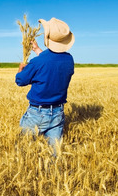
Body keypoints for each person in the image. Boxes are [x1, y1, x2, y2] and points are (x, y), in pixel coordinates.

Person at [15, 17, 75, 151]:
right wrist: (37, 50)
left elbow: (20, 81)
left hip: (37, 113)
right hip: (58, 113)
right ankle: (55, 172)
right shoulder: (69, 59)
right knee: (54, 154)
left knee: (22, 151)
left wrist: (20, 70)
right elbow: (52, 63)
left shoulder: (38, 62)